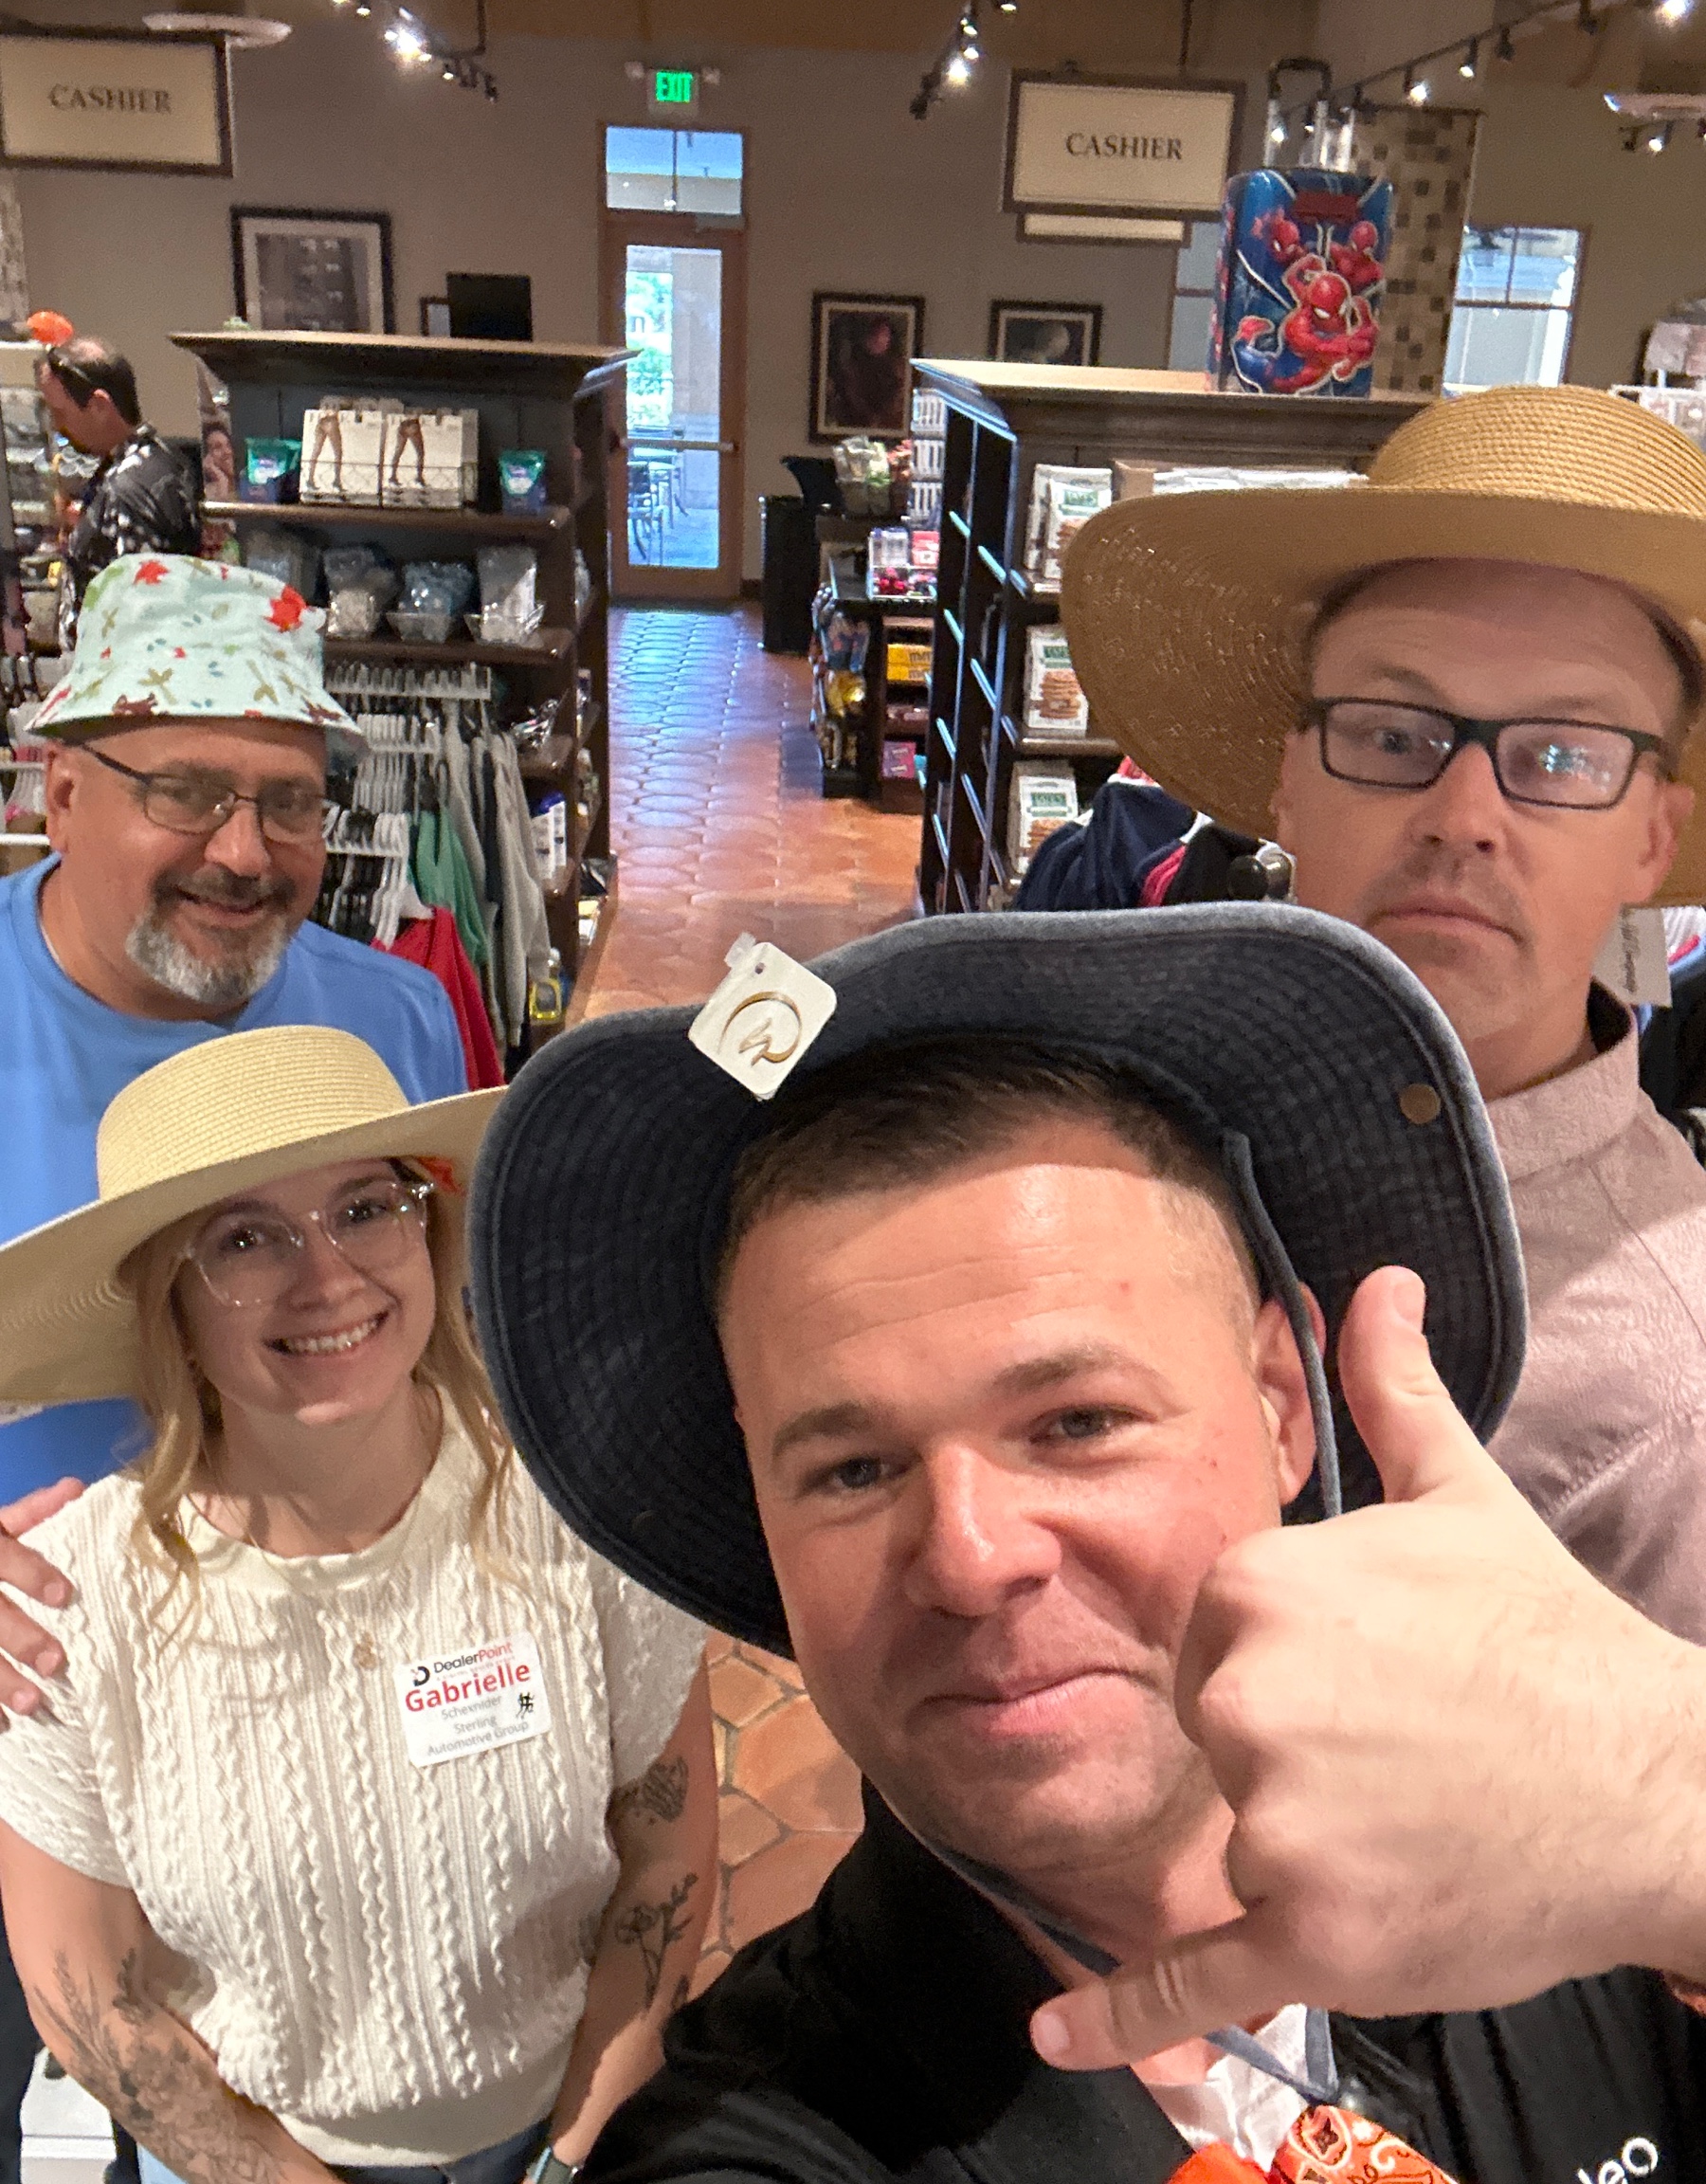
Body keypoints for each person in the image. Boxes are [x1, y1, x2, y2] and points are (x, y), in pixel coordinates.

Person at [460, 908, 1706, 2184]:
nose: (968, 1558)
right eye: (853, 1470)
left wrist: (1672, 1790)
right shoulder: (749, 2143)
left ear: (1284, 1408)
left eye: (1078, 1422)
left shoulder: (1594, 1881)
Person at [0, 1025, 714, 2184]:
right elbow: (84, 1987)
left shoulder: (583, 1516)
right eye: (244, 1238)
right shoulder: (68, 1602)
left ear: (428, 1229)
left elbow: (665, 1857)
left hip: (569, 2129)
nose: (328, 1277)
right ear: (167, 1303)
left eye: (366, 1209)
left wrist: (571, 2159)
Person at [1061, 384, 1706, 1615]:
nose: (1464, 818)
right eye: (1393, 733)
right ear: (1289, 783)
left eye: (1563, 756)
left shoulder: (1673, 1386)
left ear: (1651, 838)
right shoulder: (1120, 1095)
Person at [0, 552, 463, 2184]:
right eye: (186, 790)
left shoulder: (393, 1022)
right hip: (29, 1696)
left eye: (289, 800)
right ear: (59, 790)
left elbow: (440, 1337)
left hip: (317, 1711)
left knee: (303, 2089)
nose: (246, 851)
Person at [35, 337, 200, 651]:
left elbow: (142, 616)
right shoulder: (162, 459)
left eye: (61, 413)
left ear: (99, 405)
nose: (57, 425)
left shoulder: (127, 491)